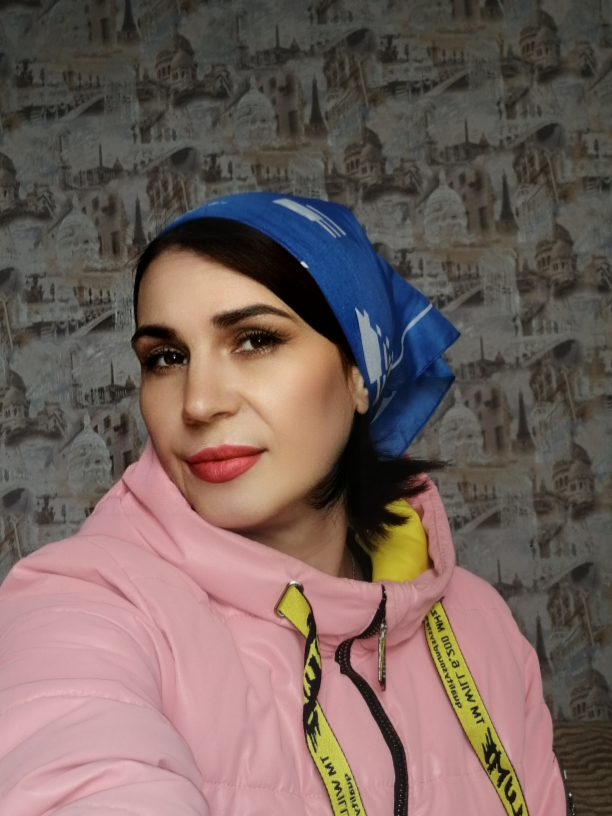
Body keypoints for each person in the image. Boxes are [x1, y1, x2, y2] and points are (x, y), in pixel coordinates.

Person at [0, 193, 567, 816]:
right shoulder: (79, 602)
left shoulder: (481, 625)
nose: (199, 402)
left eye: (255, 340)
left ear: (358, 371)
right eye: (166, 357)